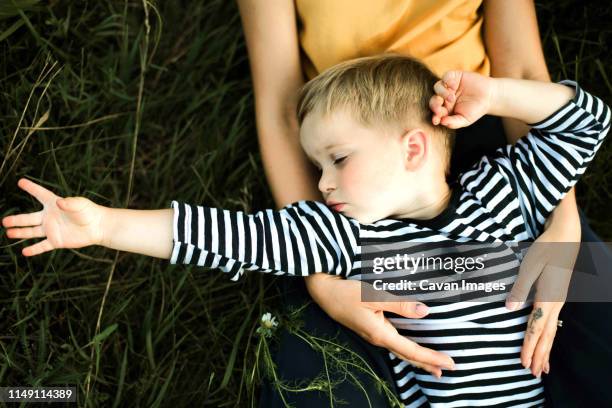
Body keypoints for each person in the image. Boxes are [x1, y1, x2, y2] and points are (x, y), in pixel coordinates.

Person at [2, 54, 610, 406]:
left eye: (337, 160)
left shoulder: (509, 192)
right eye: (318, 166)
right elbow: (223, 236)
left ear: (415, 147)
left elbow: (588, 122)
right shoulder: (344, 237)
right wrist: (106, 225)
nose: (320, 183)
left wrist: (497, 93)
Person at [237, 1, 611, 406]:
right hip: (350, 162)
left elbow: (521, 69)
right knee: (316, 383)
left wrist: (561, 218)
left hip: (473, 135)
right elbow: (282, 110)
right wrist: (321, 278)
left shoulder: (508, 186)